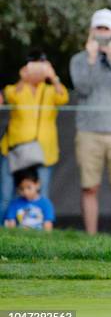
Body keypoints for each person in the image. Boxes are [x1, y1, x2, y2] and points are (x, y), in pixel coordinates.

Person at [69, 8, 111, 237]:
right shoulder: (79, 59)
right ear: (91, 31)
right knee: (89, 187)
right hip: (89, 132)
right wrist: (90, 59)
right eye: (98, 28)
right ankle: (91, 237)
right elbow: (83, 88)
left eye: (106, 29)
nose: (102, 33)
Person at [0, 51, 68, 220]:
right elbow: (10, 96)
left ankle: (41, 233)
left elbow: (63, 97)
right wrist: (23, 77)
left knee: (41, 194)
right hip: (15, 149)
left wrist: (53, 77)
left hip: (44, 150)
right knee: (6, 195)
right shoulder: (15, 88)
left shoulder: (50, 90)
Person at [4, 166, 55, 231]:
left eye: (29, 187)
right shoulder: (15, 203)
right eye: (21, 189)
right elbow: (11, 223)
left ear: (38, 184)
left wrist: (46, 236)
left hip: (39, 235)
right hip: (21, 234)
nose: (25, 192)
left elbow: (48, 224)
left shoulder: (46, 203)